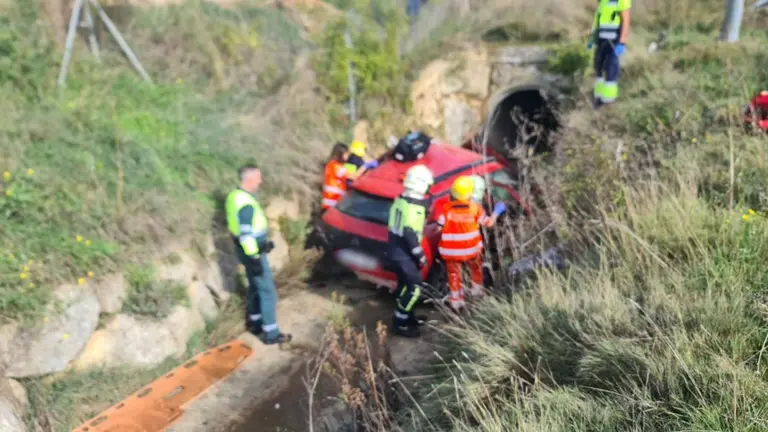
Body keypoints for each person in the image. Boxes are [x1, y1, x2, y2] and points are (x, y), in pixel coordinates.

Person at [226, 164, 292, 345]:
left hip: (245, 249)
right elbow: (247, 234)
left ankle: (255, 323)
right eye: (258, 178)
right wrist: (255, 256)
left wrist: (262, 245)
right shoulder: (246, 203)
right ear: (249, 179)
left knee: (255, 286)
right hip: (251, 252)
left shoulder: (234, 196)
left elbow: (238, 230)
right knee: (268, 291)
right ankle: (271, 334)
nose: (261, 181)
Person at [437, 176, 506, 310]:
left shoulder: (446, 209)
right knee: (476, 270)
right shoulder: (475, 208)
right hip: (471, 250)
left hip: (451, 252)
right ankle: (477, 295)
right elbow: (489, 223)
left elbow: (438, 228)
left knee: (454, 275)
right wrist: (497, 212)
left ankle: (456, 303)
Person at [388, 164, 434, 338]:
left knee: (404, 286)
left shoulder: (401, 199)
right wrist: (420, 255)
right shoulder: (414, 207)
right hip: (404, 254)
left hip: (395, 250)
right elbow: (409, 234)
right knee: (414, 288)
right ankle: (400, 323)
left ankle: (407, 316)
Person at [587, 0, 631, 108]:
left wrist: (622, 42)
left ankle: (609, 100)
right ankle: (599, 98)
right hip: (601, 40)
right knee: (598, 68)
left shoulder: (621, 1)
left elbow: (625, 21)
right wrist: (592, 39)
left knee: (611, 68)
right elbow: (598, 21)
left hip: (614, 41)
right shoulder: (603, 2)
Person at [322, 142, 378, 210]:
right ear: (340, 154)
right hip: (331, 203)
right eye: (346, 154)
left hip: (333, 203)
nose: (348, 156)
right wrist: (366, 166)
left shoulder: (334, 165)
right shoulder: (335, 166)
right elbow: (354, 177)